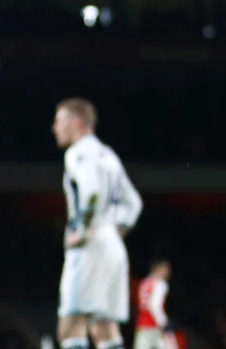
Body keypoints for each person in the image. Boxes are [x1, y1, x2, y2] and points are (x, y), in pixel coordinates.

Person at [53, 98, 144, 349]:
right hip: (112, 245)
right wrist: (113, 233)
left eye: (59, 121)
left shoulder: (77, 153)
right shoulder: (108, 154)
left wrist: (82, 230)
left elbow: (91, 192)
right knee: (105, 328)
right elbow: (134, 203)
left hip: (90, 245)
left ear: (77, 122)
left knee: (71, 326)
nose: (54, 127)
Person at [134, 260, 175, 349]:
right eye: (166, 270)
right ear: (159, 269)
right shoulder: (160, 284)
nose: (168, 273)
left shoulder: (144, 282)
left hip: (142, 324)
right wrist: (163, 323)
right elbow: (154, 305)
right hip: (155, 326)